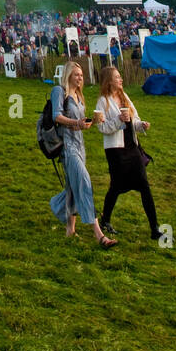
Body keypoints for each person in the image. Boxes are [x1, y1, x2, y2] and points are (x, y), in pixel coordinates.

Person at [49, 62, 116, 248]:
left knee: (73, 187)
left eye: (82, 75)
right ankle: (99, 234)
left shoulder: (79, 95)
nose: (80, 78)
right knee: (84, 183)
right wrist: (76, 123)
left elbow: (80, 122)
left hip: (80, 146)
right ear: (69, 74)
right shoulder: (59, 91)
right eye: (77, 74)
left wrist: (91, 122)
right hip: (67, 147)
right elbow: (57, 116)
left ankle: (69, 229)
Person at [94, 66, 159, 240]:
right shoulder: (103, 101)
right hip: (116, 150)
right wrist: (118, 120)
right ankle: (105, 219)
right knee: (115, 187)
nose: (120, 79)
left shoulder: (125, 97)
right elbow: (101, 127)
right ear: (109, 80)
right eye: (117, 77)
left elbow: (134, 119)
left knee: (144, 186)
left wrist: (141, 125)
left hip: (132, 147)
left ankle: (155, 228)